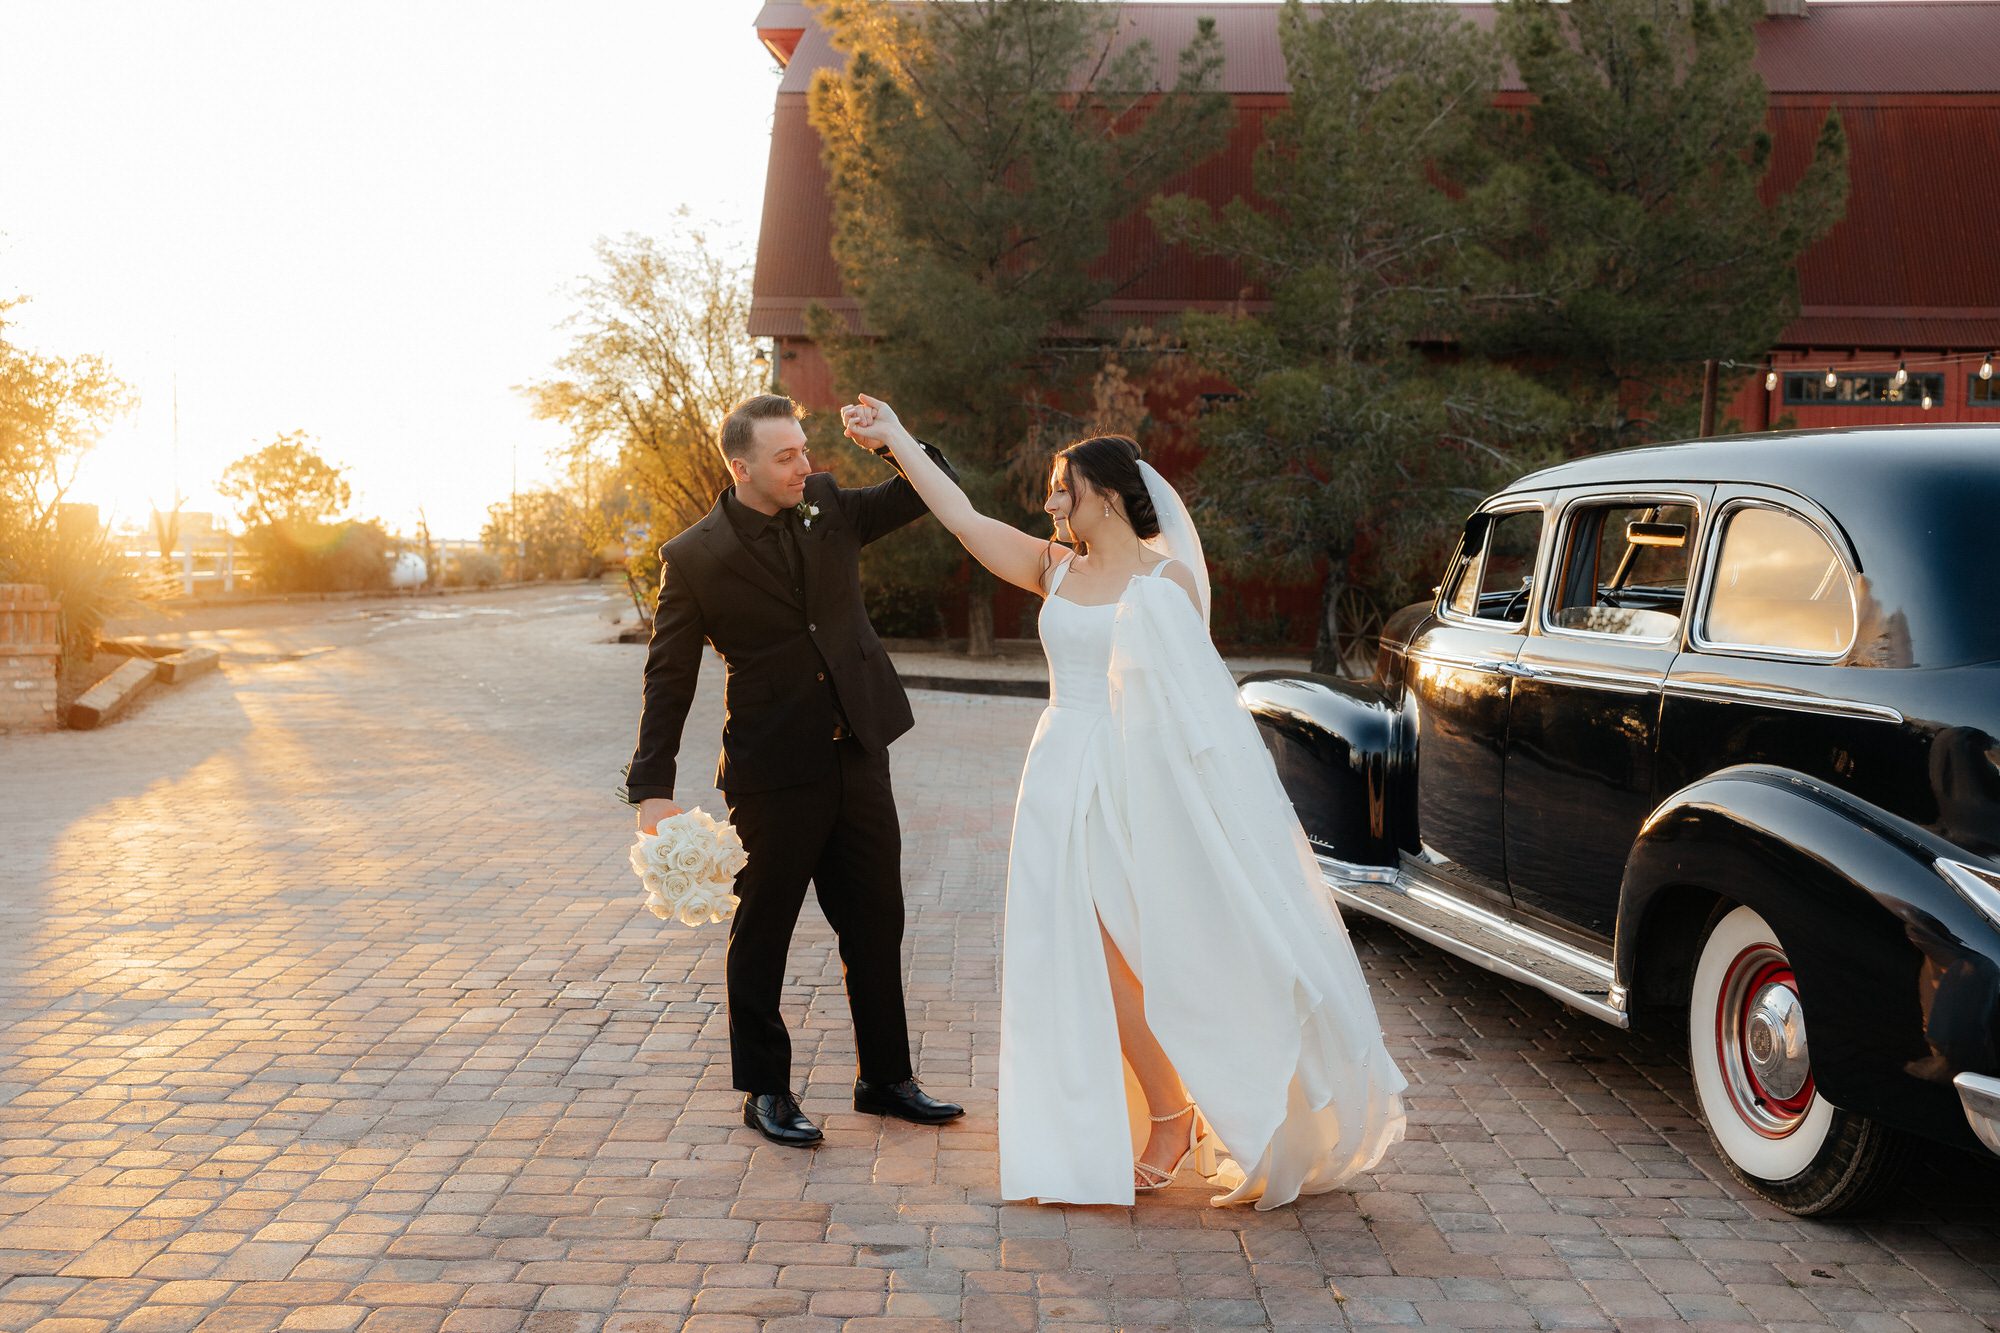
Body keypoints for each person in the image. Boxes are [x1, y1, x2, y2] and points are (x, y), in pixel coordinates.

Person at [840, 393, 1407, 1208]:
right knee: (1087, 947)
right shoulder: (1052, 568)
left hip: (1141, 777)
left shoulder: (1165, 579)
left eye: (1062, 486)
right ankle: (1162, 1111)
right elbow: (961, 517)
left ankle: (1193, 1108)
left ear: (1106, 493)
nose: (1049, 501)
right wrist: (896, 439)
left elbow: (1197, 705)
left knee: (1158, 941)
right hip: (1059, 770)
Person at [623, 393, 965, 1147]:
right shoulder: (694, 556)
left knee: (877, 922)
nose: (805, 465)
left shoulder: (829, 505)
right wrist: (651, 787)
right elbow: (669, 676)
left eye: (805, 451)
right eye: (787, 457)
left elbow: (929, 484)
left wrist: (893, 435)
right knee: (764, 932)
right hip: (772, 772)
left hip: (859, 752)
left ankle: (886, 1078)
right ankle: (766, 1090)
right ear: (741, 468)